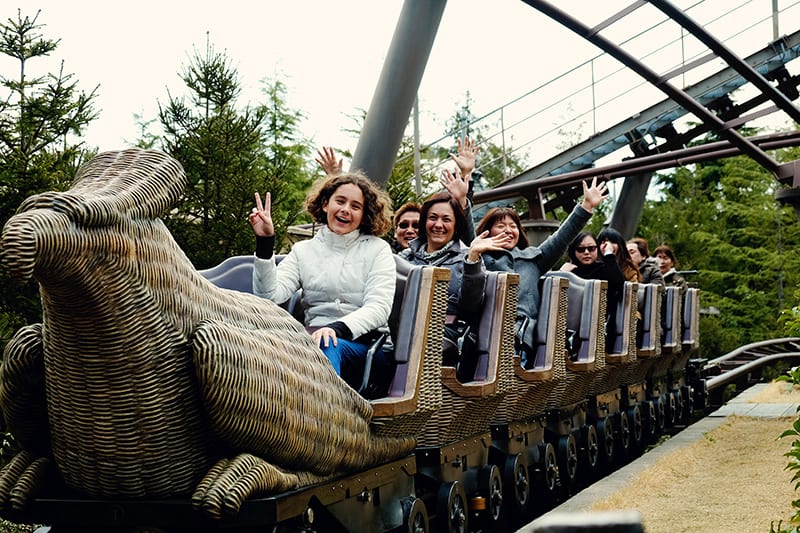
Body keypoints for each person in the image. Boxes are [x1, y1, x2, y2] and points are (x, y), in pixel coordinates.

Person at [248, 172, 396, 396]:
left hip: (367, 350)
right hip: (312, 342)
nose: (346, 209)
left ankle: (327, 419)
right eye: (340, 201)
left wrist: (336, 329)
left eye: (356, 206)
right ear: (326, 204)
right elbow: (268, 296)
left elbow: (379, 308)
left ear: (364, 215)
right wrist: (265, 242)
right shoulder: (304, 251)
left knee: (327, 344)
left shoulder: (377, 249)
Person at [474, 177, 608, 363]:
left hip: (519, 338)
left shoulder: (532, 259)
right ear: (487, 232)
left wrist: (585, 207)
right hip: (483, 334)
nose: (508, 230)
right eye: (500, 226)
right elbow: (466, 238)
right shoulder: (477, 259)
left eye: (513, 226)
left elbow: (561, 238)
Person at [399, 189, 510, 376]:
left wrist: (473, 259)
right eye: (433, 218)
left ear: (456, 225)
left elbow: (470, 306)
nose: (438, 225)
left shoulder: (465, 258)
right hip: (399, 328)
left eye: (446, 219)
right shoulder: (405, 258)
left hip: (445, 332)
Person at [561, 231, 625, 353]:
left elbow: (619, 284)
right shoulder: (569, 271)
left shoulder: (605, 269)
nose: (586, 252)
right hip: (567, 328)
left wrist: (609, 254)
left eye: (591, 248)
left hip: (599, 328)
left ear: (597, 249)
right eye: (580, 249)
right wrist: (561, 273)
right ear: (573, 251)